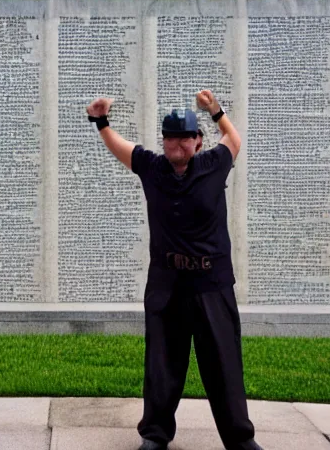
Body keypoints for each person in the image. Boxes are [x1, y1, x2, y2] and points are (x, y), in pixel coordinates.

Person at [86, 91, 263, 450]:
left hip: (211, 284)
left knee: (223, 364)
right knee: (162, 364)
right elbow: (122, 149)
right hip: (167, 284)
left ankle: (240, 440)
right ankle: (155, 436)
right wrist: (101, 122)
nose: (176, 143)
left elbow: (234, 139)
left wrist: (215, 111)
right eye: (170, 137)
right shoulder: (153, 168)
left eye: (184, 137)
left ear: (197, 142)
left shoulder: (214, 163)